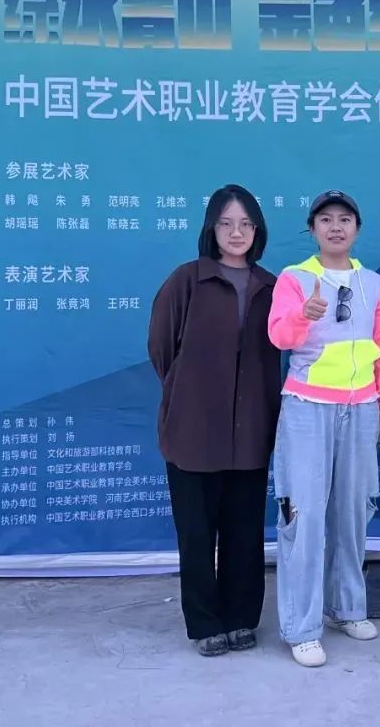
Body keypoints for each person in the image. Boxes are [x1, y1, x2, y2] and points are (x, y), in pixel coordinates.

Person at [147, 183, 282, 657]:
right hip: (193, 429)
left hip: (252, 430)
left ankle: (241, 618)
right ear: (211, 228)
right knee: (197, 533)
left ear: (258, 230)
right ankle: (205, 623)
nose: (236, 232)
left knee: (245, 530)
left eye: (246, 223)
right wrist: (191, 393)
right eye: (226, 223)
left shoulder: (271, 286)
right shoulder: (187, 280)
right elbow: (162, 348)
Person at [266, 190, 380, 668]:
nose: (336, 227)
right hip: (307, 408)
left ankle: (347, 607)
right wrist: (303, 315)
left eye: (345, 219)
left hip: (361, 409)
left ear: (357, 229)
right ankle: (301, 628)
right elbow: (278, 336)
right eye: (326, 220)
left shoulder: (374, 285)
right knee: (303, 516)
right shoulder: (295, 278)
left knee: (353, 511)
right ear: (312, 229)